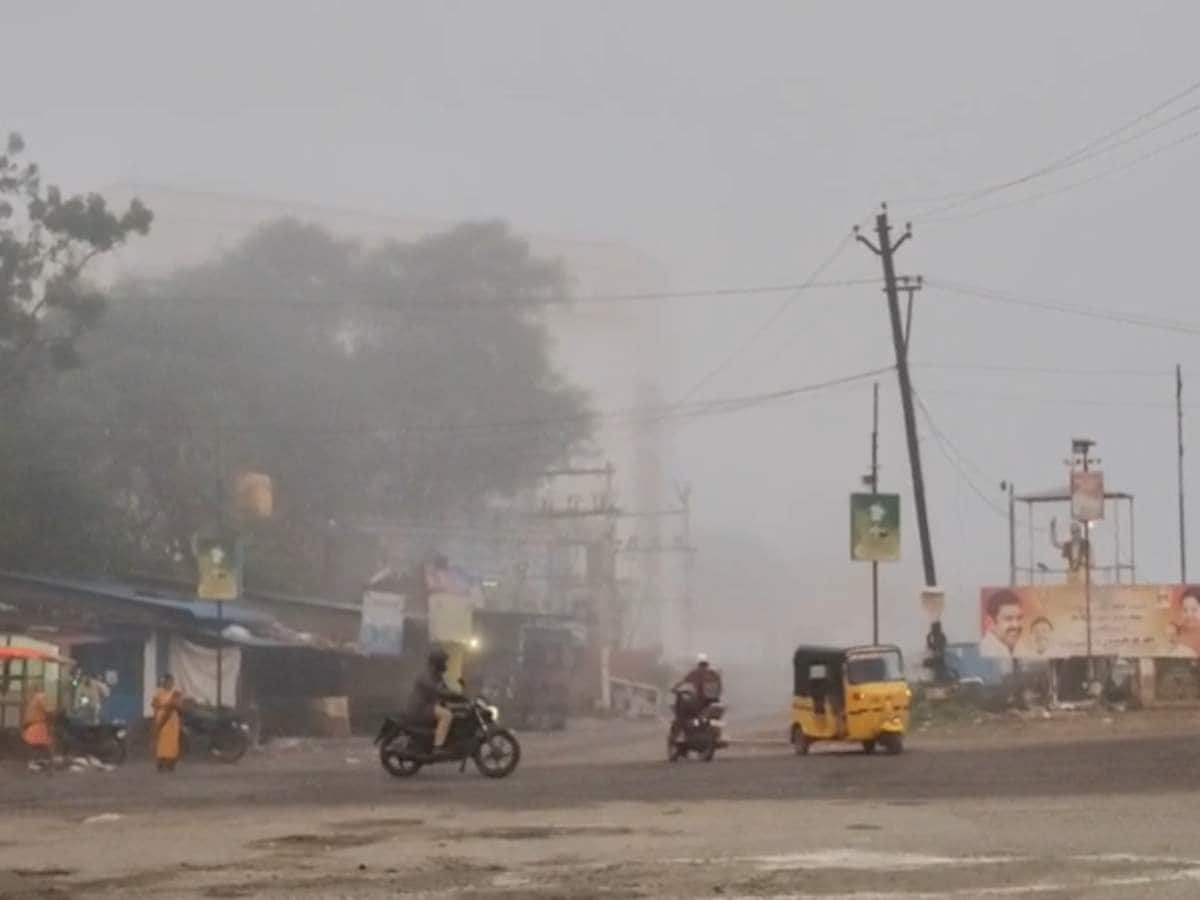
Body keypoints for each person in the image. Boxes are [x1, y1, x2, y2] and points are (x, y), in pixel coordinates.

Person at [406, 646, 462, 754]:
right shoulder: (426, 676)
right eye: (443, 661)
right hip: (420, 709)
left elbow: (445, 689)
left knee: (453, 711)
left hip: (427, 707)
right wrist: (454, 695)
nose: (445, 664)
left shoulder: (437, 675)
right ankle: (438, 747)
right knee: (447, 715)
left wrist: (459, 695)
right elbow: (440, 691)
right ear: (437, 662)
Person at [151, 673, 183, 773]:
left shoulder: (176, 693)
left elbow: (179, 706)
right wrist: (163, 706)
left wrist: (173, 705)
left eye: (170, 681)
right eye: (166, 681)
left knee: (172, 742)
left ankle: (170, 764)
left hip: (172, 720)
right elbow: (154, 704)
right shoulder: (158, 692)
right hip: (161, 720)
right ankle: (161, 764)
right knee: (161, 742)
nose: (168, 683)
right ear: (163, 682)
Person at [980, 589, 1023, 661]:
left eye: (1019, 618)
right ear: (990, 622)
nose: (1016, 625)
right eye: (1008, 619)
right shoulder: (988, 652)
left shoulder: (1018, 648)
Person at [21, 680, 53, 772]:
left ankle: (39, 761)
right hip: (35, 724)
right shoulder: (36, 697)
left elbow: (47, 710)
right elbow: (48, 710)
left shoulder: (39, 697)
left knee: (36, 743)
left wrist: (50, 718)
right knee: (37, 744)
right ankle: (37, 761)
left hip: (37, 723)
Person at [1050, 517, 1089, 586]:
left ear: (1080, 532)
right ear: (1071, 533)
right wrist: (1052, 529)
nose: (1075, 534)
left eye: (1077, 531)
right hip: (1071, 571)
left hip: (1082, 571)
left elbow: (1091, 559)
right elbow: (1056, 543)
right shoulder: (1068, 545)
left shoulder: (1085, 543)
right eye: (1073, 532)